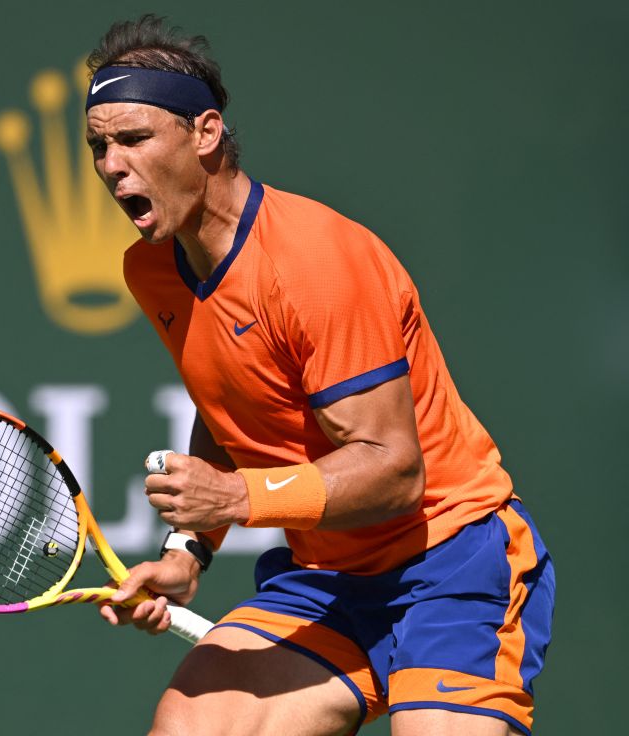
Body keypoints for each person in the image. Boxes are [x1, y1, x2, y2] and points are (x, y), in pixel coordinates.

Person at [84, 15, 555, 736]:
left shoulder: (315, 261)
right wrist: (188, 551)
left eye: (134, 139)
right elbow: (230, 398)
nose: (112, 165)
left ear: (205, 133)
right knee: (190, 723)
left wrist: (237, 497)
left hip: (450, 563)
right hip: (330, 583)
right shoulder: (152, 269)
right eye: (99, 147)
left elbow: (395, 471)